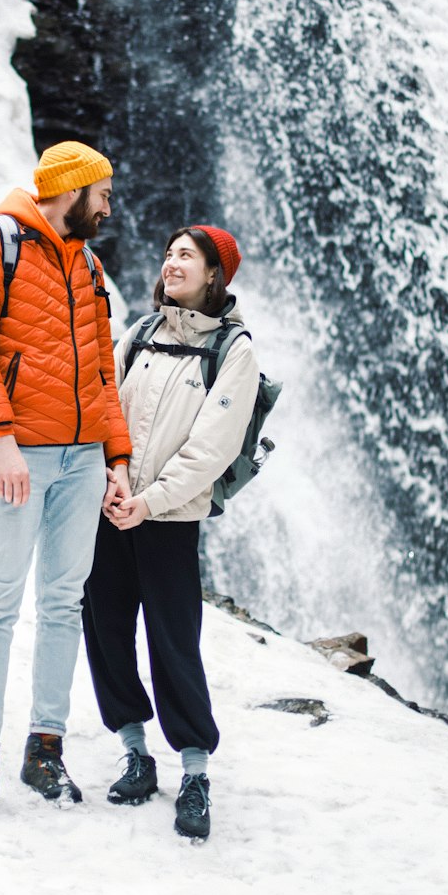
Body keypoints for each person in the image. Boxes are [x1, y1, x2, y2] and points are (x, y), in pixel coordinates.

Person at [0, 141, 132, 820]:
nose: (109, 208)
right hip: (18, 456)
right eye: (102, 194)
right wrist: (1, 438)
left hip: (83, 461)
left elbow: (104, 371)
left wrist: (117, 459)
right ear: (71, 189)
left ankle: (44, 750)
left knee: (61, 604)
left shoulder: (88, 263)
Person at [82, 225, 260, 840]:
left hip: (169, 519)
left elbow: (213, 448)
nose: (171, 262)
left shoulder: (233, 350)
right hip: (113, 507)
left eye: (186, 255)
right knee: (104, 628)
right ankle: (134, 751)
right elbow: (108, 404)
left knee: (172, 642)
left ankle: (194, 772)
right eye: (168, 253)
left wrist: (151, 500)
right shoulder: (141, 332)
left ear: (214, 274)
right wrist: (116, 477)